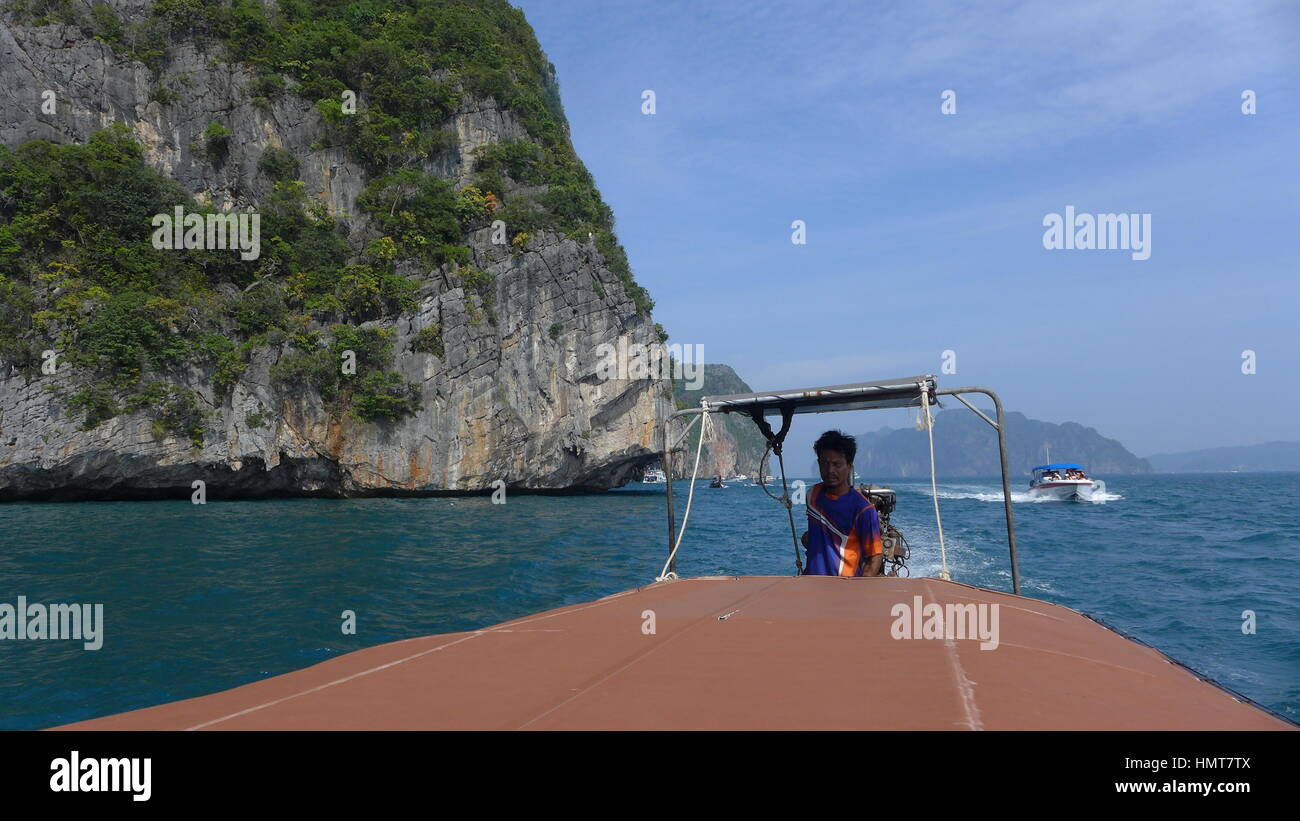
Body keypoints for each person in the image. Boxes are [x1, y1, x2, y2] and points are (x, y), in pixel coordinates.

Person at [801, 430, 883, 577]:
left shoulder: (863, 510)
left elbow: (874, 558)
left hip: (845, 589)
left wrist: (860, 591)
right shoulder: (812, 495)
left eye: (837, 464)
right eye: (824, 464)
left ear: (849, 466)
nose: (830, 470)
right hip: (812, 586)